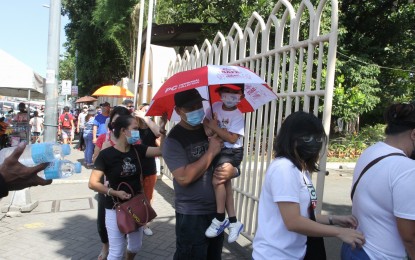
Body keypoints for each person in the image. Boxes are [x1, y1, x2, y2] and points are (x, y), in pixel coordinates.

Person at [252, 111, 365, 259]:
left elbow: (304, 216)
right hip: (274, 255)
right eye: (307, 138)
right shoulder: (284, 169)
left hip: (294, 253)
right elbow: (293, 221)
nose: (314, 142)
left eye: (318, 138)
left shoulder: (300, 169)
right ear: (291, 138)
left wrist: (334, 219)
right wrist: (339, 232)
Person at [162, 89, 237, 259]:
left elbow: (229, 157)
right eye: (190, 108)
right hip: (191, 215)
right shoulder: (174, 140)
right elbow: (184, 177)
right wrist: (210, 152)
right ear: (178, 111)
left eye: (198, 105)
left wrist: (234, 170)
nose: (197, 110)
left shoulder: (210, 128)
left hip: (217, 214)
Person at [341, 103, 415, 260]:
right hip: (380, 254)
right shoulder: (407, 168)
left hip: (354, 248)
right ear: (413, 134)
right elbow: (410, 236)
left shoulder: (371, 151)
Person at [88, 114, 166, 260]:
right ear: (124, 130)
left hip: (136, 206)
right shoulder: (106, 155)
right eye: (135, 128)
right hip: (114, 207)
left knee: (135, 246)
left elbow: (161, 151)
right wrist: (114, 192)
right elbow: (93, 183)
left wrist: (162, 132)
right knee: (116, 252)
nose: (138, 132)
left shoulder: (138, 149)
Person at [203, 84, 245, 243]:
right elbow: (206, 121)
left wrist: (215, 128)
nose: (230, 96)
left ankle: (220, 218)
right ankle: (234, 222)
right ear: (220, 93)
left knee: (217, 180)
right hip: (219, 149)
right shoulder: (215, 107)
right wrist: (208, 127)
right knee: (224, 184)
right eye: (226, 92)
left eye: (235, 93)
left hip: (232, 151)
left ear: (241, 95)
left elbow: (233, 138)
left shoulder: (238, 115)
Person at [92, 105, 131, 260]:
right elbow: (95, 161)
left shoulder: (132, 139)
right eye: (116, 121)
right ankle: (105, 246)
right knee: (103, 222)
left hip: (128, 186)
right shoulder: (104, 138)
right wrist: (105, 151)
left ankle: (124, 247)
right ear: (111, 123)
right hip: (107, 187)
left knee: (127, 220)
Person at [135, 103, 162, 236]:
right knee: (135, 196)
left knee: (148, 197)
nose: (147, 113)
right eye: (144, 111)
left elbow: (158, 133)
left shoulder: (152, 128)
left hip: (149, 168)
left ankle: (144, 223)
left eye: (149, 112)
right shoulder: (133, 127)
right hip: (135, 168)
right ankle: (134, 221)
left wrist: (147, 119)